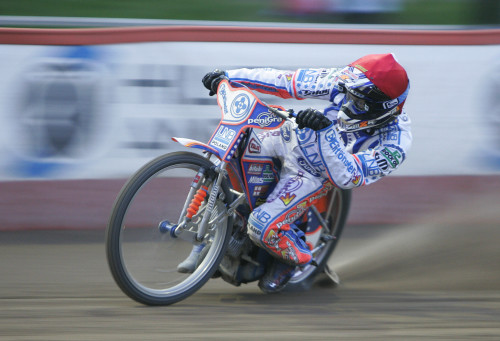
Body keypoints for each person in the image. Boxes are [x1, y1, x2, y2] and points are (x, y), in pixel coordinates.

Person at [181, 53, 411, 293]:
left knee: (260, 226)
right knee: (238, 145)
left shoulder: (396, 143)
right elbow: (286, 80)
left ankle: (292, 259)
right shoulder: (347, 81)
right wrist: (230, 77)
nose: (347, 103)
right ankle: (226, 227)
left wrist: (325, 133)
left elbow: (348, 176)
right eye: (348, 94)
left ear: (383, 108)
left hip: (315, 173)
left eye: (358, 102)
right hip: (290, 135)